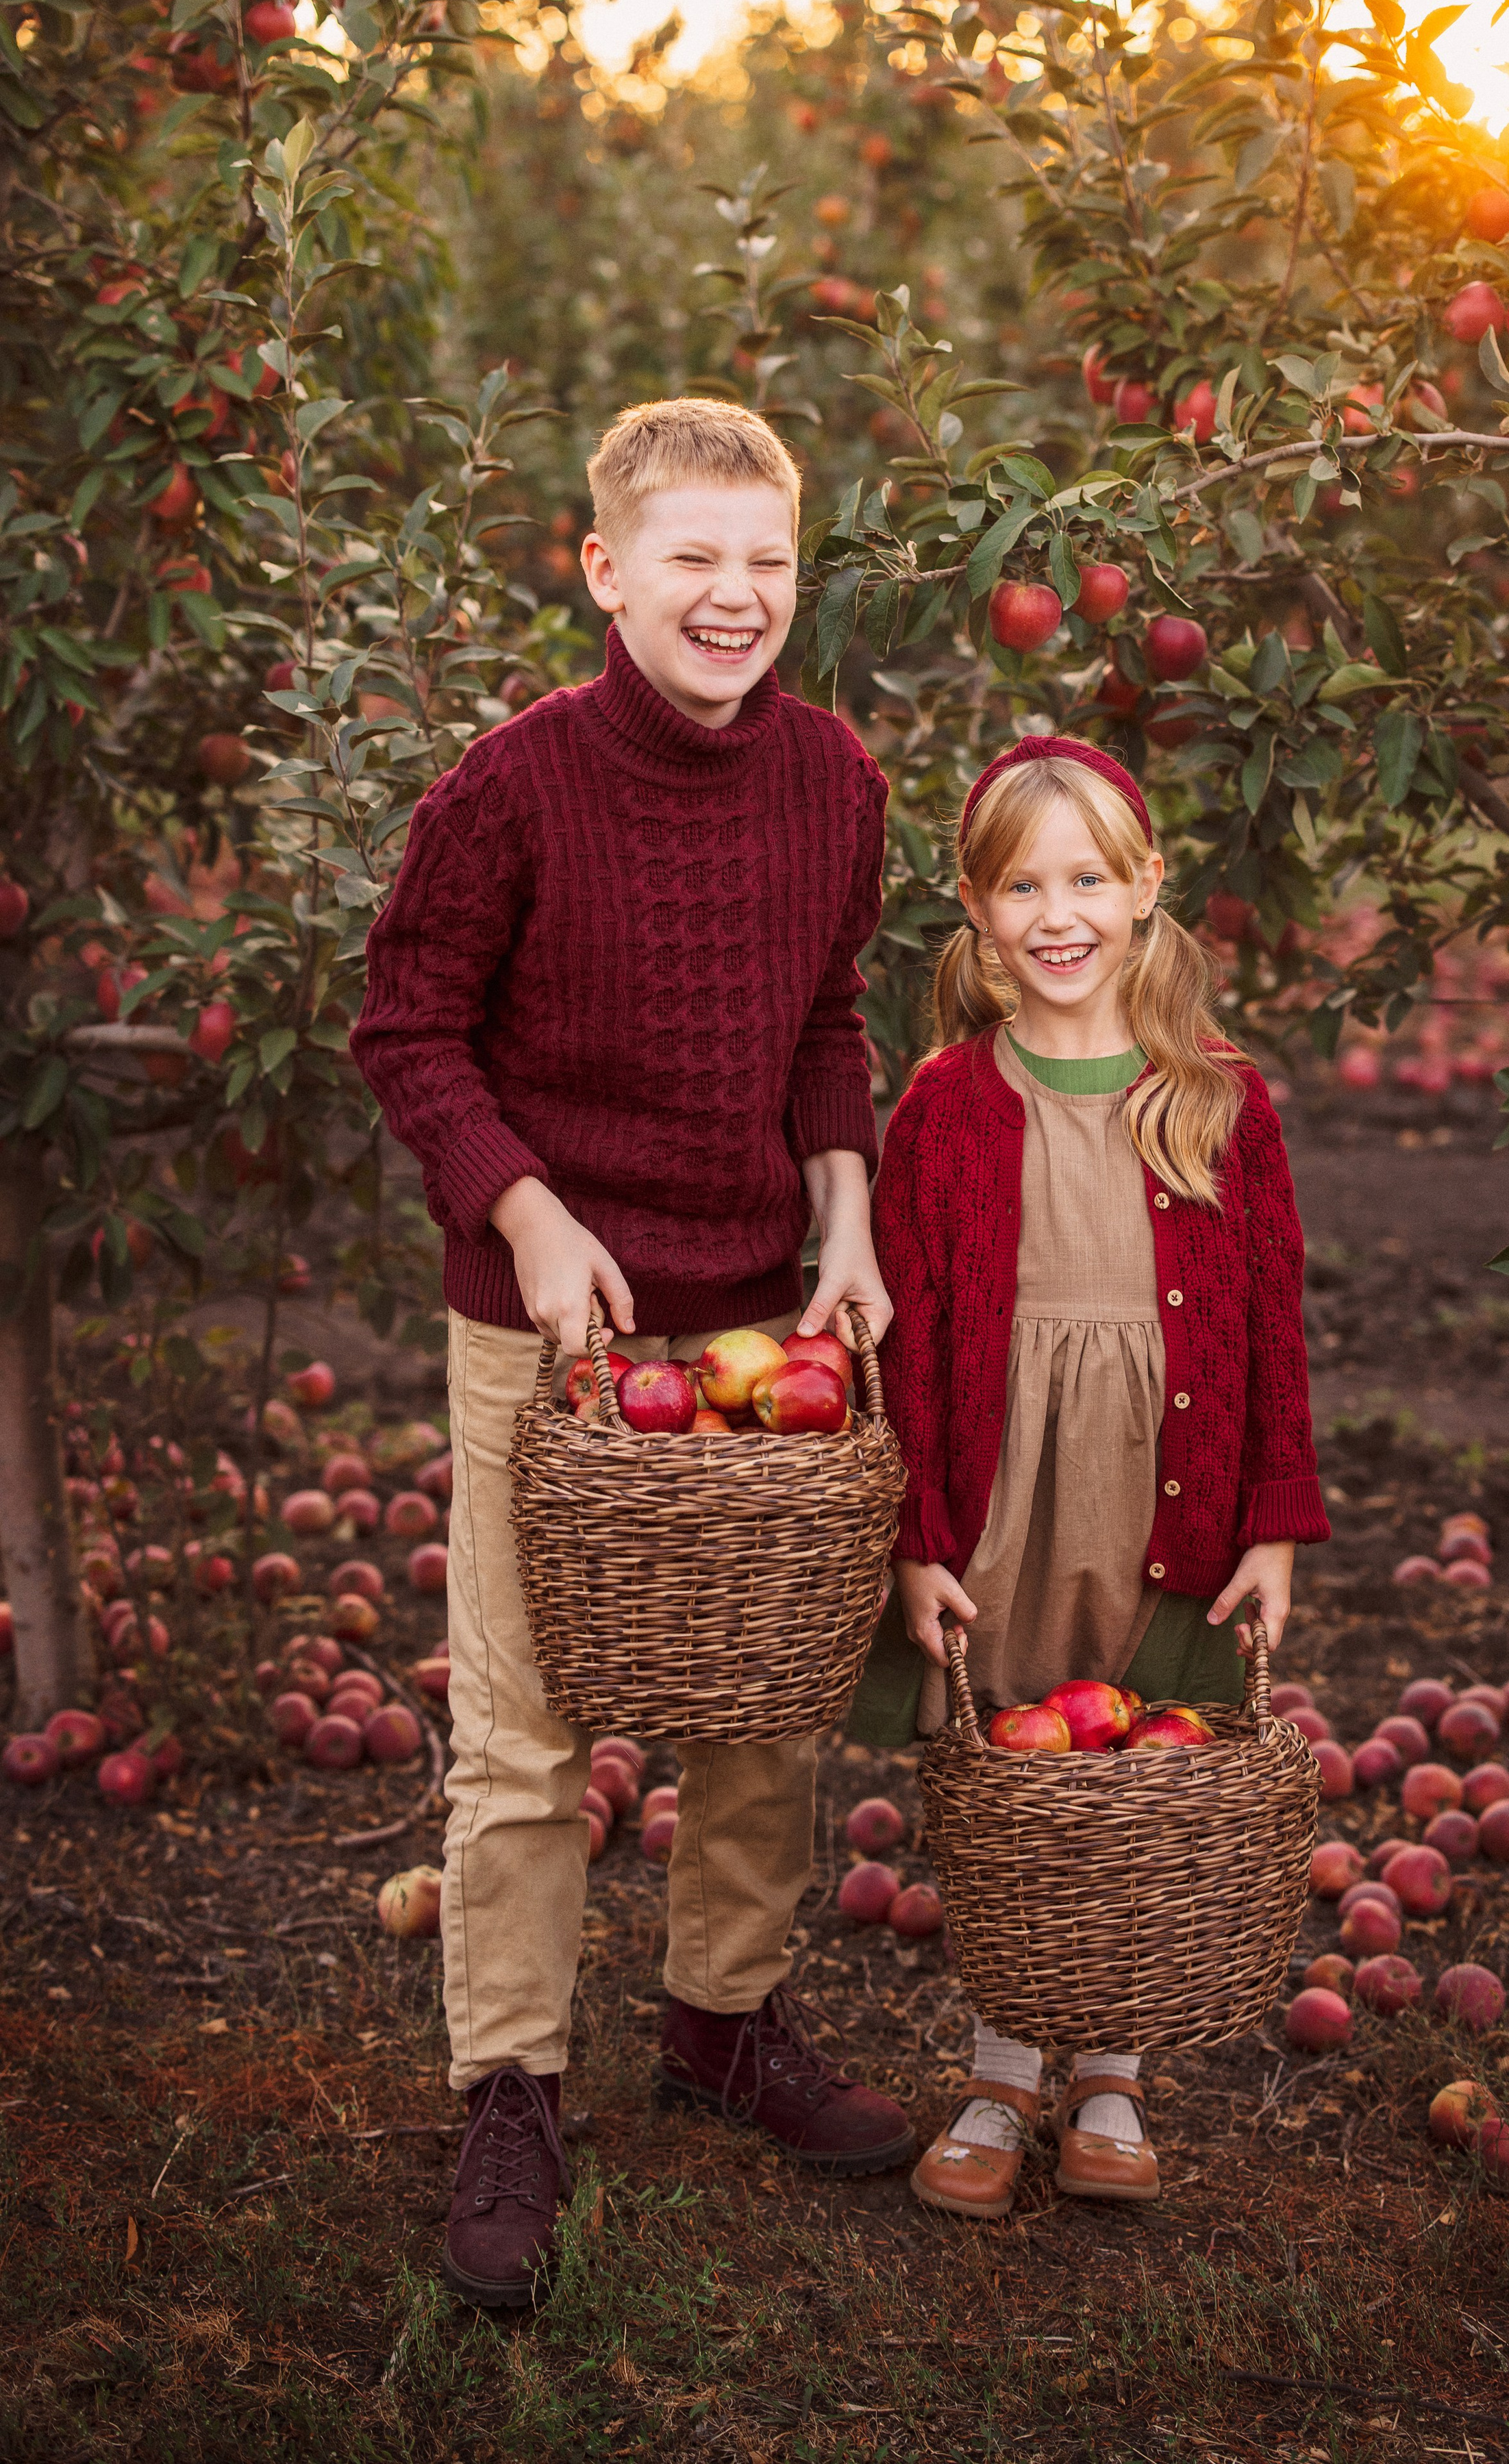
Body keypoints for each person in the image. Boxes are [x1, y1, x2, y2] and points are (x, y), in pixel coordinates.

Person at [351, 398, 912, 2311]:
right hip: (552, 1322)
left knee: (760, 1697)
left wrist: (846, 1216)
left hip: (754, 1314)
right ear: (604, 569)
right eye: (692, 558)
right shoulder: (508, 787)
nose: (734, 595)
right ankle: (512, 2079)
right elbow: (408, 1027)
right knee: (526, 1723)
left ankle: (721, 2016)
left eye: (768, 561)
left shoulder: (833, 778)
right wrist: (523, 1210)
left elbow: (826, 1016)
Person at [847, 734, 1328, 2219]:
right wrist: (918, 1536)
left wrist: (1274, 1522)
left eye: (1086, 880)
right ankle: (1001, 2070)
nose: (1056, 914)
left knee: (1141, 1769)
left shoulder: (1218, 1100)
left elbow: (1273, 1321)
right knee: (1014, 1782)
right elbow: (910, 1339)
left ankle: (1109, 2071)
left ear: (1144, 888)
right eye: (1020, 886)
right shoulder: (944, 1104)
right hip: (1005, 1492)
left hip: (1167, 1488)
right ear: (977, 909)